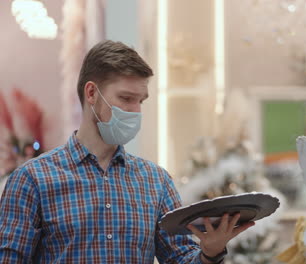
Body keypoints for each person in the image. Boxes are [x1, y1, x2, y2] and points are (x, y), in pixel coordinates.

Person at [0, 40, 254, 263]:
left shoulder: (156, 181)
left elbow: (179, 258)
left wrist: (209, 253)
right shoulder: (32, 179)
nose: (135, 111)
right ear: (91, 93)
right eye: (126, 98)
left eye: (140, 101)